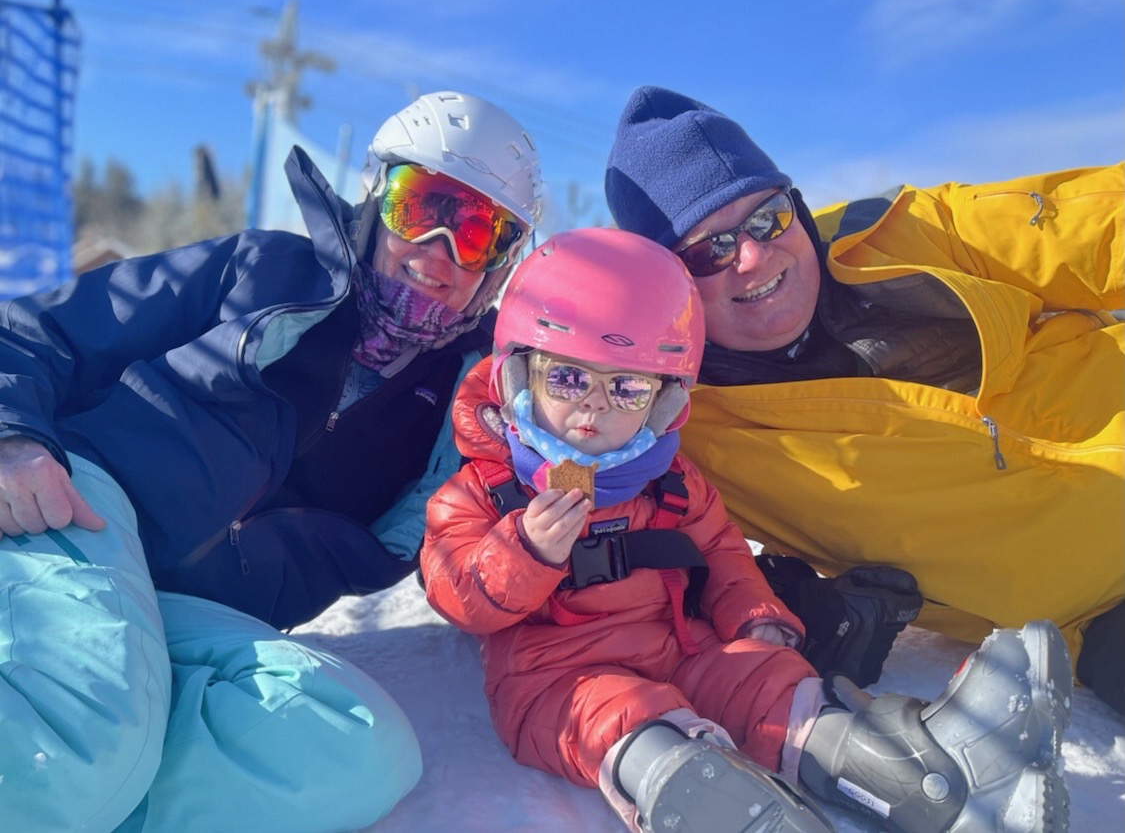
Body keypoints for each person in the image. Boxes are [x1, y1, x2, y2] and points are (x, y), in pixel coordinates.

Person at [0, 90, 541, 831]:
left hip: (191, 614)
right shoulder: (262, 271)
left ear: (499, 264)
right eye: (420, 208)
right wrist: (15, 438)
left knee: (353, 750)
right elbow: (35, 330)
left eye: (476, 232)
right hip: (82, 513)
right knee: (90, 734)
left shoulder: (465, 405)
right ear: (375, 200)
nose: (439, 249)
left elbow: (481, 545)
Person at [419, 227, 1073, 833]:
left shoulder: (671, 481)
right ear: (519, 375)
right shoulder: (482, 492)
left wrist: (755, 615)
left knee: (765, 680)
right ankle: (703, 795)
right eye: (567, 378)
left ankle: (918, 778)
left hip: (682, 649)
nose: (593, 404)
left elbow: (724, 553)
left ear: (663, 400)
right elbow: (456, 592)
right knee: (617, 716)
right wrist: (524, 550)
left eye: (627, 389)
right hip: (556, 677)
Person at [604, 84, 1124, 715]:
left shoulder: (898, 235)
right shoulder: (685, 423)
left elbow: (1090, 227)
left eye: (767, 218)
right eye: (708, 250)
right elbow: (552, 472)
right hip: (1094, 619)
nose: (754, 255)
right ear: (671, 285)